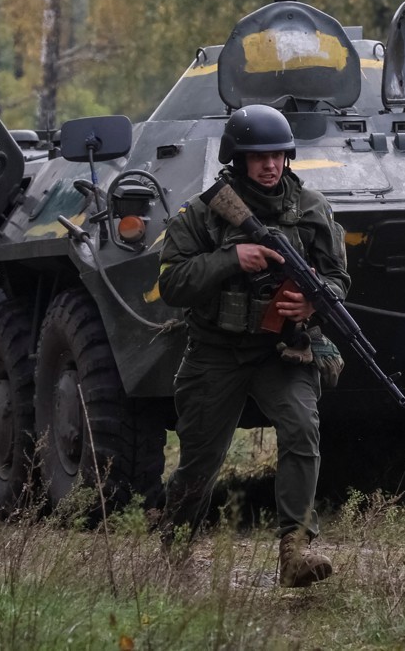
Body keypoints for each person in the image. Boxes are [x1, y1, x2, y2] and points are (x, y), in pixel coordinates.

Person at [157, 103, 351, 588]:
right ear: (238, 158)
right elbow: (172, 284)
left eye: (278, 155)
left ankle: (295, 550)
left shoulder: (311, 209)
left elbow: (337, 278)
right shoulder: (202, 214)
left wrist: (312, 304)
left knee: (302, 429)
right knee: (201, 459)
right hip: (214, 351)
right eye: (257, 155)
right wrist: (229, 258)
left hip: (282, 349)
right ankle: (174, 549)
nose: (270, 165)